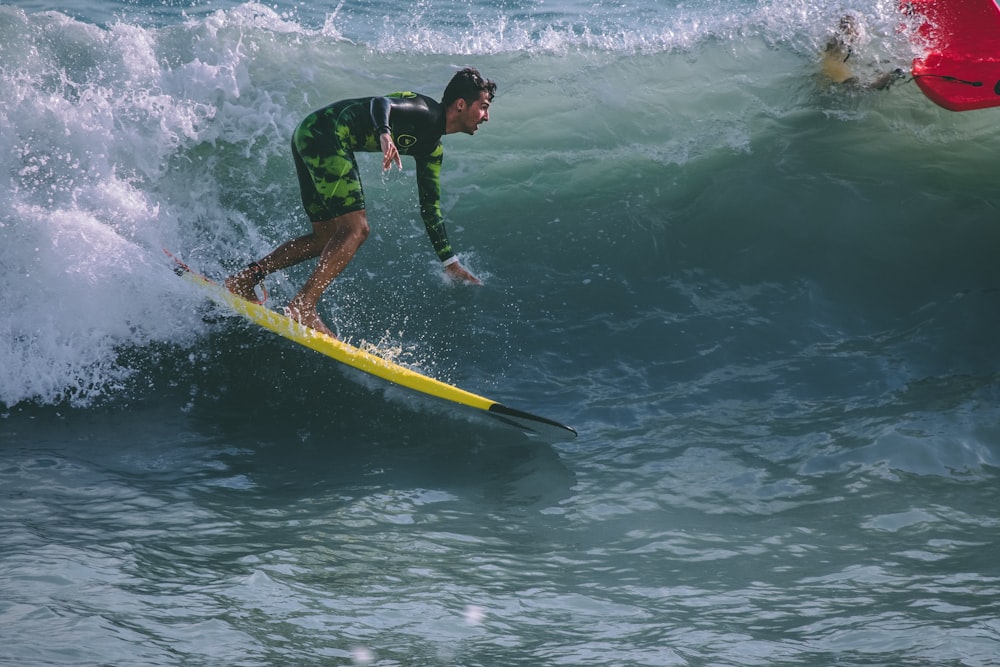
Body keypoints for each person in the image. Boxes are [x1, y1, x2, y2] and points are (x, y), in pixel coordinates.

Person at [225, 67, 496, 338]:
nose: (487, 116)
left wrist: (450, 262)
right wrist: (384, 133)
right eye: (483, 107)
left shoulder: (432, 148)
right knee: (357, 229)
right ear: (461, 104)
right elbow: (382, 102)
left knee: (326, 236)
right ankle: (303, 306)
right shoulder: (427, 110)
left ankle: (245, 279)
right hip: (326, 133)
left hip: (310, 133)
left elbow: (430, 206)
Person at [821, 14, 905, 91]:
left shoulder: (842, 46)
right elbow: (851, 87)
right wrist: (880, 83)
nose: (857, 34)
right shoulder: (832, 59)